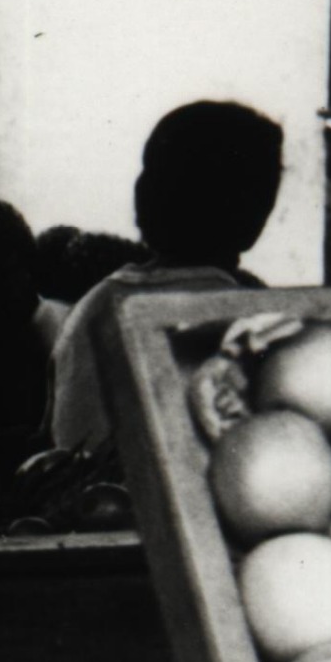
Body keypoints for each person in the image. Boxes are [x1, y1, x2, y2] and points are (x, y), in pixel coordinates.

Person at [42, 100, 286, 454]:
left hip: (86, 503)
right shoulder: (252, 325)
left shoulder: (93, 307)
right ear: (258, 216)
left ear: (145, 197)